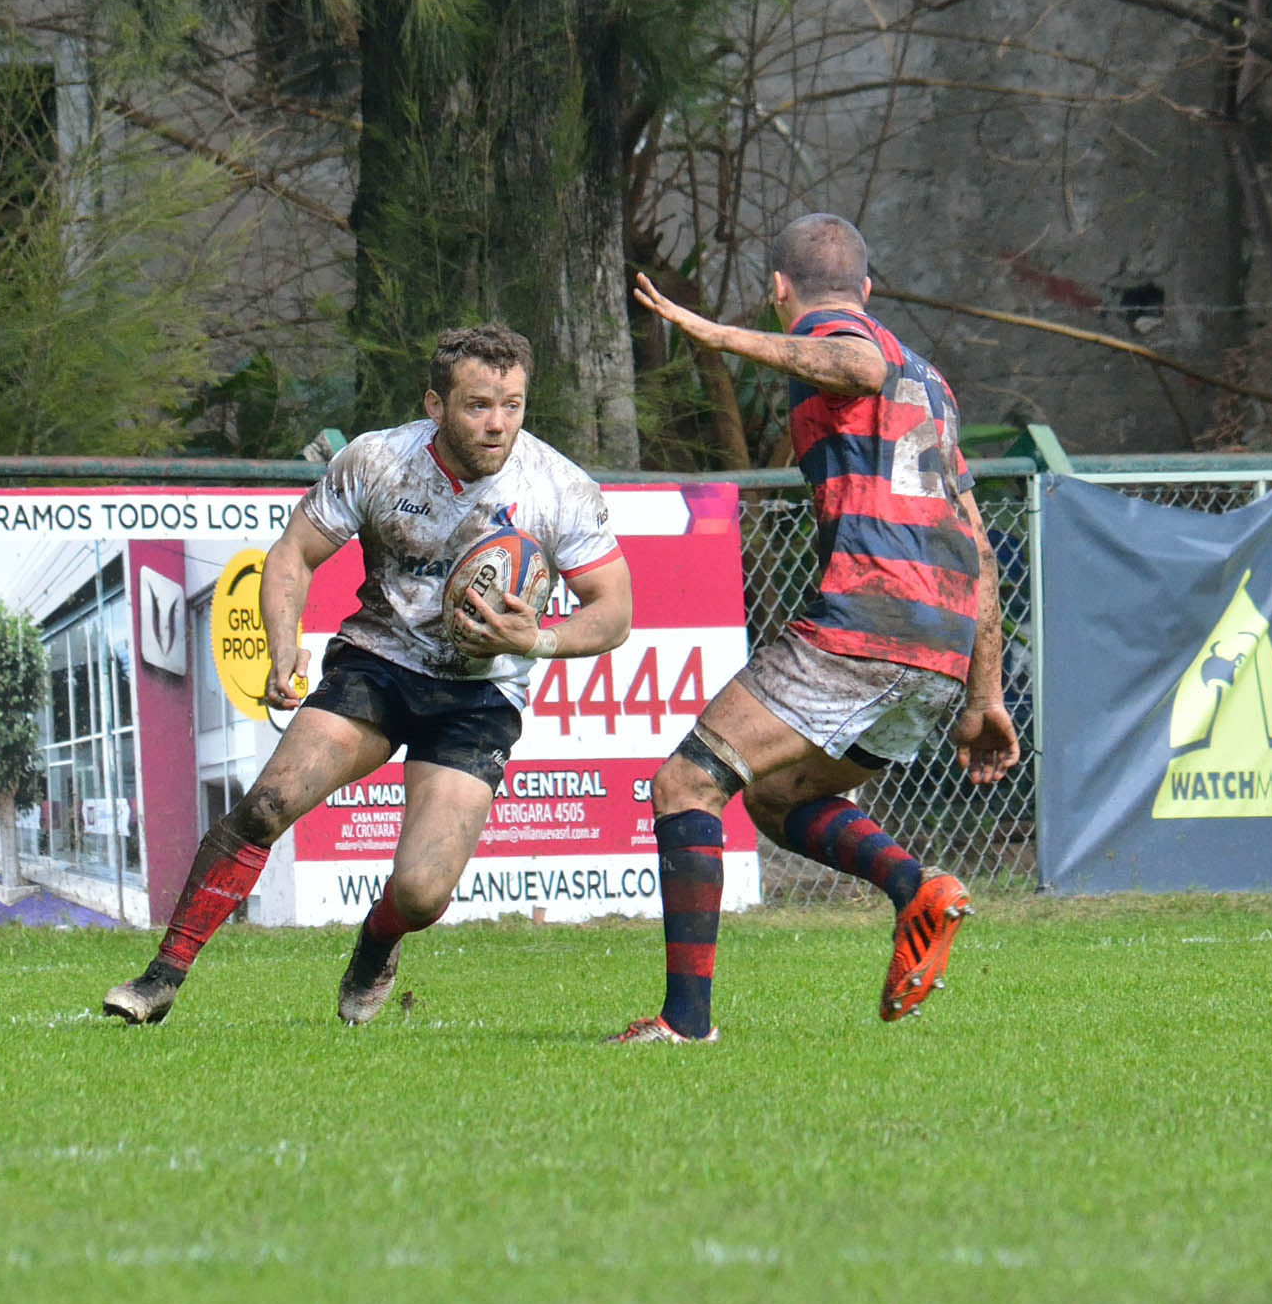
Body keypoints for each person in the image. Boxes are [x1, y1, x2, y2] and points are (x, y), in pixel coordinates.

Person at [103, 324, 633, 1026]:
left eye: (512, 404)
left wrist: (538, 637)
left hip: (478, 696)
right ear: (436, 405)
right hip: (378, 665)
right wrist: (283, 644)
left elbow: (614, 611)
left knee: (421, 894)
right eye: (478, 405)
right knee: (269, 802)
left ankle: (378, 941)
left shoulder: (557, 487)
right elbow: (292, 553)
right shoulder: (380, 460)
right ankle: (160, 978)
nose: (497, 423)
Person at [609, 213, 1019, 1044]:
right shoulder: (931, 381)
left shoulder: (845, 338)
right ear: (868, 285)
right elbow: (978, 546)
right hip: (939, 640)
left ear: (779, 290)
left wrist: (715, 335)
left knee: (686, 785)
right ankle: (917, 889)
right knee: (778, 792)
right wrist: (985, 693)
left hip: (868, 618)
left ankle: (685, 1024)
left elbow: (853, 363)